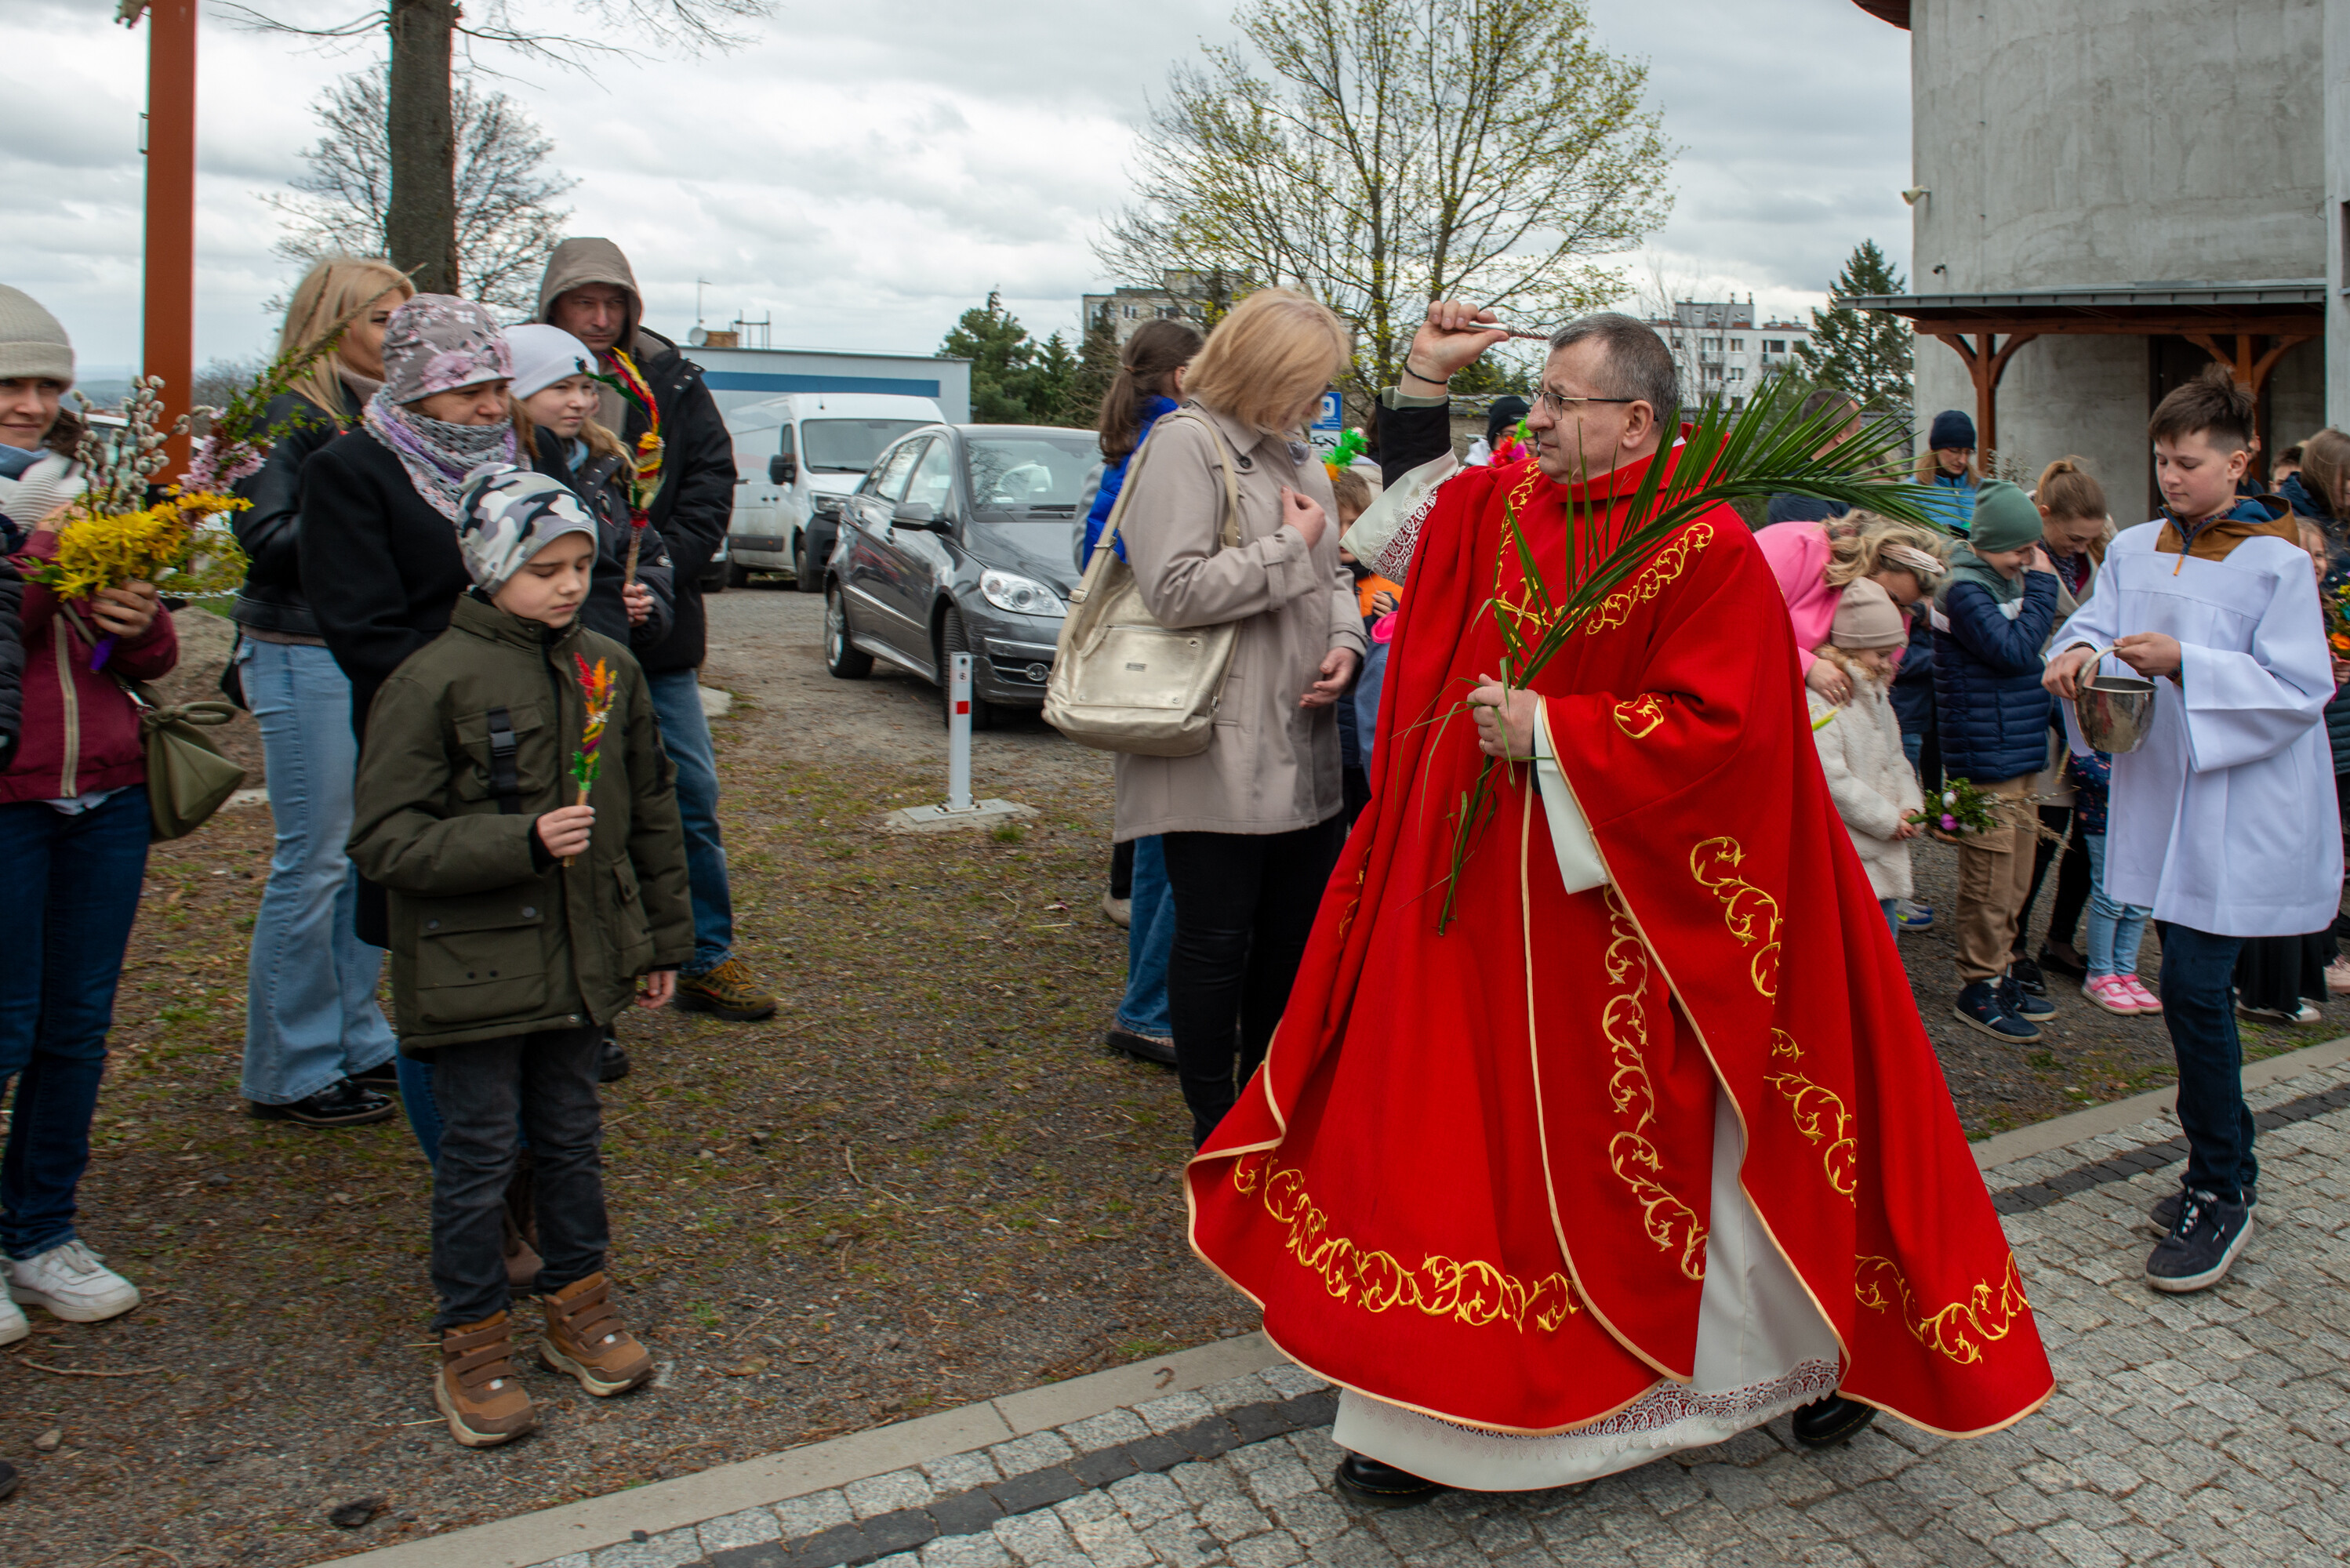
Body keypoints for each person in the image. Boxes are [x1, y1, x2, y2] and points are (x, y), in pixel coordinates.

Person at [1189, 299, 2051, 1506]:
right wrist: (1423, 387)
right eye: (1536, 397)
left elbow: (1728, 733)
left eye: (1558, 402)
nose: (1533, 421)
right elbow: (1400, 538)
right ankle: (1435, 1413)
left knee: (1682, 1163)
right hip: (1481, 910)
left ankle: (1796, 1361)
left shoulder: (1699, 544)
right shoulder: (1511, 503)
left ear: (1635, 421)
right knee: (1457, 1149)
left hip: (1629, 926)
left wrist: (1554, 731)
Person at [347, 466, 689, 1448]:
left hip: (582, 958)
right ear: (491, 567)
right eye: (545, 568)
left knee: (572, 1138)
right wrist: (520, 840)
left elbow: (652, 804)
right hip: (473, 970)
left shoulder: (609, 669)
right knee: (481, 1153)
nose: (570, 584)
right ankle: (471, 1336)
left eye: (582, 563)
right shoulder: (432, 680)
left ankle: (579, 1304)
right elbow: (384, 839)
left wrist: (663, 938)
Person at [2045, 365, 2337, 1293]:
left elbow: (2301, 688)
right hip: (2161, 795)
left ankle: (2223, 1184)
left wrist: (2187, 661)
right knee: (2188, 989)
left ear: (2239, 462)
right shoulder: (2136, 546)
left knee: (2195, 991)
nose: (2170, 476)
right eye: (2162, 460)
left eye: (2187, 462)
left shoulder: (2277, 562)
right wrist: (2077, 651)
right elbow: (2091, 622)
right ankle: (2221, 1161)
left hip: (2235, 805)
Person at [1113, 289, 1365, 1147]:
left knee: (1289, 943)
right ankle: (1214, 1125)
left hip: (1300, 735)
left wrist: (1346, 643)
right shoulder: (1186, 443)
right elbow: (1173, 589)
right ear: (1266, 370)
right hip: (1215, 739)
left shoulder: (1297, 454)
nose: (1319, 399)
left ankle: (1263, 1111)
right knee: (1216, 941)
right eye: (1310, 380)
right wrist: (1291, 546)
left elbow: (1337, 575)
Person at [536, 240, 768, 1033]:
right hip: (555, 640)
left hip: (656, 636)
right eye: (583, 302)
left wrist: (660, 576)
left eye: (614, 303)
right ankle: (578, 983)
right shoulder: (521, 383)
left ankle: (705, 954)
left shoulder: (670, 379)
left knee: (689, 794)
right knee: (572, 804)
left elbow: (709, 480)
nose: (601, 318)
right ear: (553, 306)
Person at [0, 287, 173, 1335]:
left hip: (105, 787)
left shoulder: (92, 490)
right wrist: (44, 560)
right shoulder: (45, 519)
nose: (30, 405)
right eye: (9, 385)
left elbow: (144, 659)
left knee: (77, 1024)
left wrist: (136, 617)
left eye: (46, 386)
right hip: (11, 793)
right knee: (4, 1021)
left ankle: (41, 1230)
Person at [231, 257, 411, 1129]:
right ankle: (290, 1066)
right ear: (330, 324)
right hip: (301, 647)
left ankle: (355, 1034)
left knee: (361, 854)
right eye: (380, 321)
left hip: (358, 647)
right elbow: (263, 536)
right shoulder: (290, 414)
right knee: (314, 861)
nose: (396, 338)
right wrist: (363, 508)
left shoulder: (380, 415)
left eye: (404, 322)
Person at [1081, 318, 1204, 1068]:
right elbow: (1154, 560)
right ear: (1185, 377)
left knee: (1161, 844)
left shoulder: (1134, 438)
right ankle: (1149, 1009)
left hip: (1143, 673)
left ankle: (1146, 1003)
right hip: (1168, 668)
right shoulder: (1173, 441)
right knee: (1180, 848)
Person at [1933, 481, 2062, 1043]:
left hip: (2016, 748)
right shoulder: (1963, 590)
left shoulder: (2003, 579)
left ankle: (2003, 969)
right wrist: (2042, 589)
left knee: (2015, 878)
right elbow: (2014, 652)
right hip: (1985, 759)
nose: (2028, 560)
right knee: (1988, 879)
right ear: (1990, 542)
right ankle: (1977, 984)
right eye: (2020, 550)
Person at [503, 322, 677, 653]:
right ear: (516, 393)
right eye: (562, 388)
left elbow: (647, 555)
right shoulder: (504, 474)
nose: (580, 402)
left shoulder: (604, 467)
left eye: (587, 388)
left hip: (597, 656)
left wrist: (641, 599)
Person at [2008, 459, 2109, 993]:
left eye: (2089, 539)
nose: (2080, 547)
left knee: (2089, 836)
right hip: (2043, 711)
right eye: (2072, 538)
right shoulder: (2019, 556)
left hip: (2090, 712)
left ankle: (2060, 937)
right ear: (2044, 516)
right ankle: (2015, 942)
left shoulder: (2099, 556)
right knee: (2043, 834)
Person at [1807, 579, 1923, 939]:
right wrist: (1887, 819)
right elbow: (1830, 778)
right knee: (1859, 939)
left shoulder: (1876, 694)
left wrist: (1910, 806)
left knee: (1884, 936)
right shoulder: (1822, 701)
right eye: (1881, 655)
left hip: (1881, 845)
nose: (1889, 664)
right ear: (1854, 647)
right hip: (1851, 850)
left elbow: (1896, 757)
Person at [1753, 510, 1945, 706]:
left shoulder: (1900, 598)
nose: (1894, 612)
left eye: (1903, 607)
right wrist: (1806, 666)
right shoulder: (1796, 547)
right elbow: (1739, 624)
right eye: (1890, 597)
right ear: (1871, 561)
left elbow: (1883, 672)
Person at [2067, 746, 2157, 1014]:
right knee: (2110, 896)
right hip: (2105, 817)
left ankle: (2125, 972)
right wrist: (2130, 788)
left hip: (2148, 817)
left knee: (2140, 899)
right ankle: (2100, 974)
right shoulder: (2093, 727)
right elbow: (2082, 759)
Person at [1913, 409, 1980, 534]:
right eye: (1955, 450)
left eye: (1968, 452)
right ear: (1936, 448)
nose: (1963, 460)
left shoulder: (1984, 489)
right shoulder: (1911, 492)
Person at [1462, 394, 1529, 466]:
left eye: (1528, 437)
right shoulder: (1476, 473)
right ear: (1492, 443)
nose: (1521, 444)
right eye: (1509, 436)